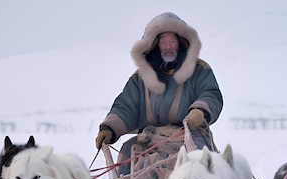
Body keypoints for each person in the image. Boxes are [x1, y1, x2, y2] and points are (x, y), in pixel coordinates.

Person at [95, 12, 223, 168]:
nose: (168, 46)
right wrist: (110, 128)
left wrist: (199, 111)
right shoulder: (140, 78)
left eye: (172, 41)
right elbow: (126, 106)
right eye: (163, 42)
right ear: (154, 45)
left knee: (198, 160)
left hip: (189, 135)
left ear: (181, 42)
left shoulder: (199, 70)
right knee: (127, 153)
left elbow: (210, 93)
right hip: (149, 137)